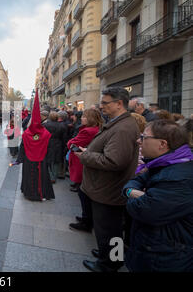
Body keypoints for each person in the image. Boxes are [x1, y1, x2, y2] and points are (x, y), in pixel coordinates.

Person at [75, 87, 140, 272]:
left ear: (119, 104)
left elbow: (114, 161)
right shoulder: (119, 123)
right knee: (111, 230)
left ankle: (108, 264)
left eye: (105, 103)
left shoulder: (123, 128)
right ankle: (110, 255)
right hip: (107, 188)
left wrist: (86, 156)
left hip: (108, 190)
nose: (101, 106)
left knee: (109, 229)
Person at [123, 120, 193, 272]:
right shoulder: (165, 163)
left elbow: (143, 209)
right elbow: (135, 182)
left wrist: (133, 195)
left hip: (165, 257)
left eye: (144, 137)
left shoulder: (178, 178)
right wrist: (131, 192)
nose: (138, 141)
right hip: (155, 248)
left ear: (162, 144)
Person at [19, 90, 54, 201]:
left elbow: (22, 147)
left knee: (29, 176)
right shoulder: (46, 134)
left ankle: (29, 193)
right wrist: (49, 160)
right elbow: (50, 148)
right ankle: (42, 193)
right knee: (41, 177)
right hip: (42, 161)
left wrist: (20, 159)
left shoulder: (26, 134)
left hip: (29, 161)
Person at [67, 109, 101, 194]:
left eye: (84, 117)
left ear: (90, 118)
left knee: (80, 176)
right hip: (84, 155)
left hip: (80, 156)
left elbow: (72, 143)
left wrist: (70, 142)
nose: (81, 118)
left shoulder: (87, 131)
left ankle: (78, 186)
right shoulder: (93, 128)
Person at [43, 112, 65, 184]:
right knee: (56, 161)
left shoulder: (45, 125)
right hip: (58, 144)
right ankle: (54, 177)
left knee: (48, 160)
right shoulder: (62, 126)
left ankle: (50, 175)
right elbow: (63, 137)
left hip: (47, 143)